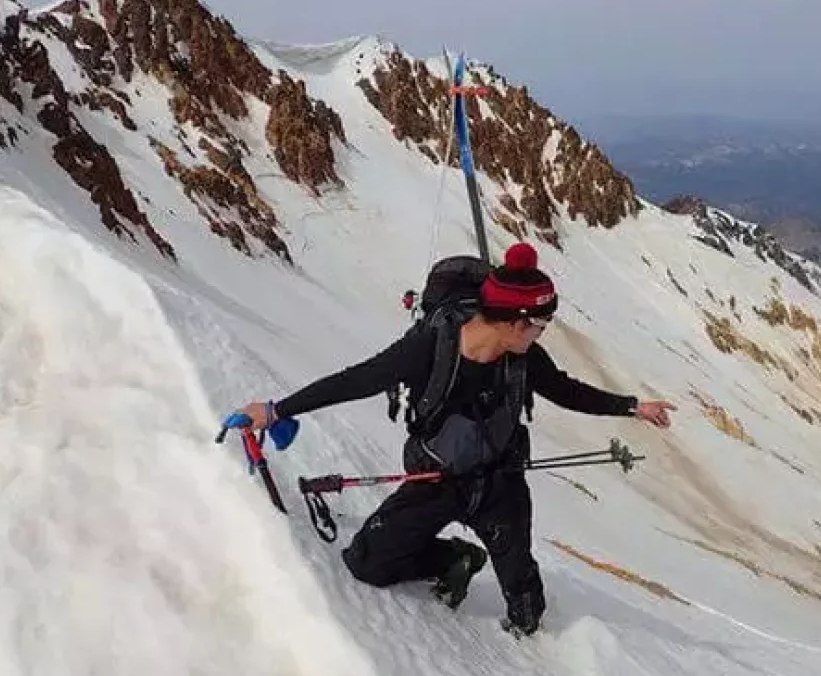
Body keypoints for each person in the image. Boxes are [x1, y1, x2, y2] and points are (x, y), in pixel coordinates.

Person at [235, 242, 675, 636]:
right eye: (541, 323)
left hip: (500, 479)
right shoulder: (430, 347)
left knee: (526, 605)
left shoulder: (524, 357)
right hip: (436, 480)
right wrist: (275, 410)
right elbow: (357, 380)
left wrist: (632, 406)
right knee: (366, 563)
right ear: (516, 323)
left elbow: (564, 390)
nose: (544, 332)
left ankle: (526, 625)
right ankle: (452, 559)